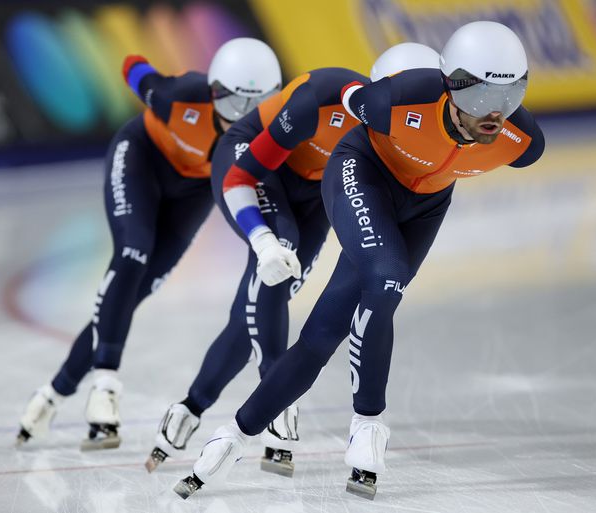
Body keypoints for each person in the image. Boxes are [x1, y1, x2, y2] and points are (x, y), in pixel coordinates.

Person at [174, 21, 545, 501]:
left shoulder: (522, 141)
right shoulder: (391, 101)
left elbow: (497, 121)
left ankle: (236, 433)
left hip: (426, 205)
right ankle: (369, 424)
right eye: (477, 96)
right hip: (362, 173)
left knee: (325, 330)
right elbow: (334, 99)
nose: (493, 113)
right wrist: (263, 235)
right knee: (387, 279)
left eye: (510, 96)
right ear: (448, 87)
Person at [147, 42, 441, 475]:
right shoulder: (322, 97)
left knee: (251, 312)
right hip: (255, 164)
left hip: (313, 193)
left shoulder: (418, 131)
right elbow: (241, 175)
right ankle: (272, 400)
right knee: (277, 258)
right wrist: (262, 238)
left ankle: (189, 409)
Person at [14, 37, 282, 450]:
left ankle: (52, 394)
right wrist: (142, 73)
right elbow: (132, 65)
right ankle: (105, 386)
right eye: (233, 103)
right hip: (142, 158)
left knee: (133, 292)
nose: (243, 117)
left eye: (258, 105)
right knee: (131, 254)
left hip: (193, 193)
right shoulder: (179, 96)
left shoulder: (274, 129)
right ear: (213, 91)